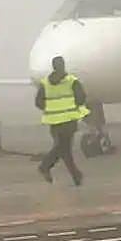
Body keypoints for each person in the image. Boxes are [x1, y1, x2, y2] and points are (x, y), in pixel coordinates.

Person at [34, 56, 89, 185]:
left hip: (53, 121)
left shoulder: (45, 83)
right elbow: (81, 98)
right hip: (69, 120)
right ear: (63, 65)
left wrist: (52, 107)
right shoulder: (71, 81)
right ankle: (45, 166)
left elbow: (38, 103)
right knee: (63, 148)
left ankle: (76, 176)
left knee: (64, 149)